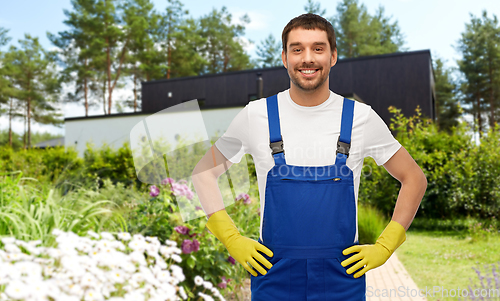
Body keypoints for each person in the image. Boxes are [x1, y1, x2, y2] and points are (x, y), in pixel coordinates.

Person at [191, 13, 427, 301]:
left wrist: (386, 245)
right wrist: (231, 239)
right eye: (297, 48)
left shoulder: (360, 118)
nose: (307, 58)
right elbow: (203, 173)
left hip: (342, 279)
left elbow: (414, 178)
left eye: (318, 48)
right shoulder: (256, 115)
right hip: (273, 277)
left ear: (333, 56)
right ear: (284, 57)